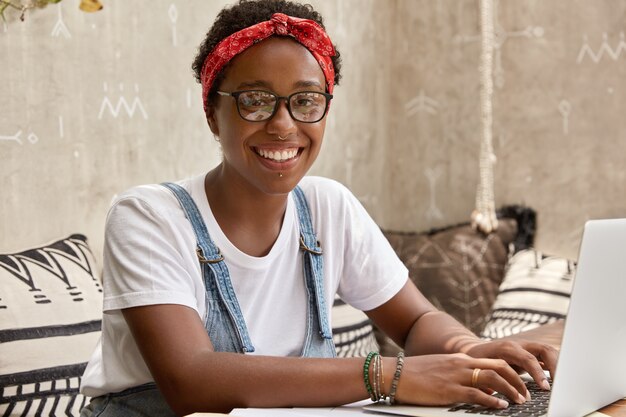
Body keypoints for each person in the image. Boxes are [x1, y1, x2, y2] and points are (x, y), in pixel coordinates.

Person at [79, 0, 558, 416]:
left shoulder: (328, 206)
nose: (283, 125)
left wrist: (471, 351)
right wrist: (386, 376)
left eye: (306, 101)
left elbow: (414, 322)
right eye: (255, 101)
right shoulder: (148, 217)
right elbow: (192, 382)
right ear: (212, 112)